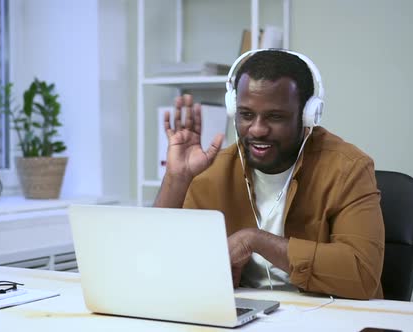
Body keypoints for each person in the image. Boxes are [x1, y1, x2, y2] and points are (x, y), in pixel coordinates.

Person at [153, 49, 384, 300]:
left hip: (327, 317)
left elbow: (362, 275)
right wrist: (177, 178)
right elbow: (154, 264)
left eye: (275, 116)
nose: (258, 129)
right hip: (240, 318)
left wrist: (256, 240)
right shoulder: (212, 171)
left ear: (308, 116)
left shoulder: (348, 169)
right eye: (246, 115)